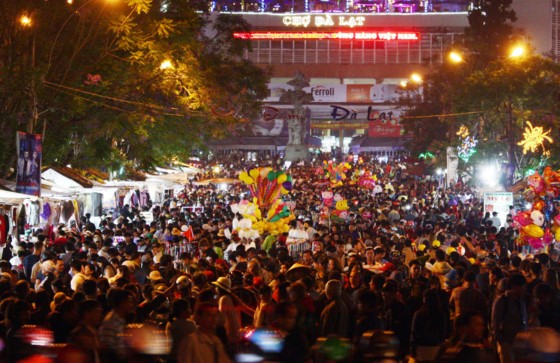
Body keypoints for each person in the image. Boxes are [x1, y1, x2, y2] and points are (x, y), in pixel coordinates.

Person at [491, 273, 528, 363]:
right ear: (514, 286)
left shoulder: (521, 300)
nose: (525, 289)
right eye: (523, 286)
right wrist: (502, 342)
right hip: (507, 343)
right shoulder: (502, 301)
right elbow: (495, 323)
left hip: (520, 343)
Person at [99, 289, 135, 363]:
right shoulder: (111, 323)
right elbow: (107, 351)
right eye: (129, 302)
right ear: (121, 304)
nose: (132, 305)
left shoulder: (122, 320)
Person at [166, 299, 196, 363]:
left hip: (171, 358)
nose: (190, 310)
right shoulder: (189, 324)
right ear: (182, 311)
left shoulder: (170, 323)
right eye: (188, 308)